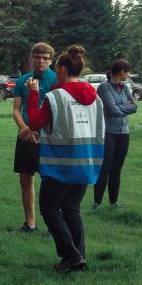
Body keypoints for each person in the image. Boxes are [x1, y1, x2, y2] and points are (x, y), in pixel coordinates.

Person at [26, 45, 104, 272]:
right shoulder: (95, 96)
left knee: (49, 209)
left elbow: (34, 123)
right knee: (71, 209)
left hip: (61, 164)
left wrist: (33, 93)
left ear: (60, 68)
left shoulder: (56, 97)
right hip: (87, 162)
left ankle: (71, 255)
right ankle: (79, 256)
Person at [11, 42, 56, 232]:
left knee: (52, 183)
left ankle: (53, 226)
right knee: (25, 180)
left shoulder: (56, 80)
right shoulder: (22, 81)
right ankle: (30, 223)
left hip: (50, 137)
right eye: (37, 57)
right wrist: (26, 130)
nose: (41, 61)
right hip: (26, 136)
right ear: (31, 58)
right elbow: (16, 110)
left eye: (45, 58)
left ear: (51, 60)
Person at [93, 59, 137, 209]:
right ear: (121, 72)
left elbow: (135, 106)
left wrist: (120, 108)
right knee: (105, 168)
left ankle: (114, 202)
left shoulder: (124, 88)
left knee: (117, 168)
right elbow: (111, 109)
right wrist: (124, 107)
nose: (129, 74)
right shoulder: (104, 87)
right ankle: (97, 202)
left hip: (124, 132)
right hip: (108, 132)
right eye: (128, 71)